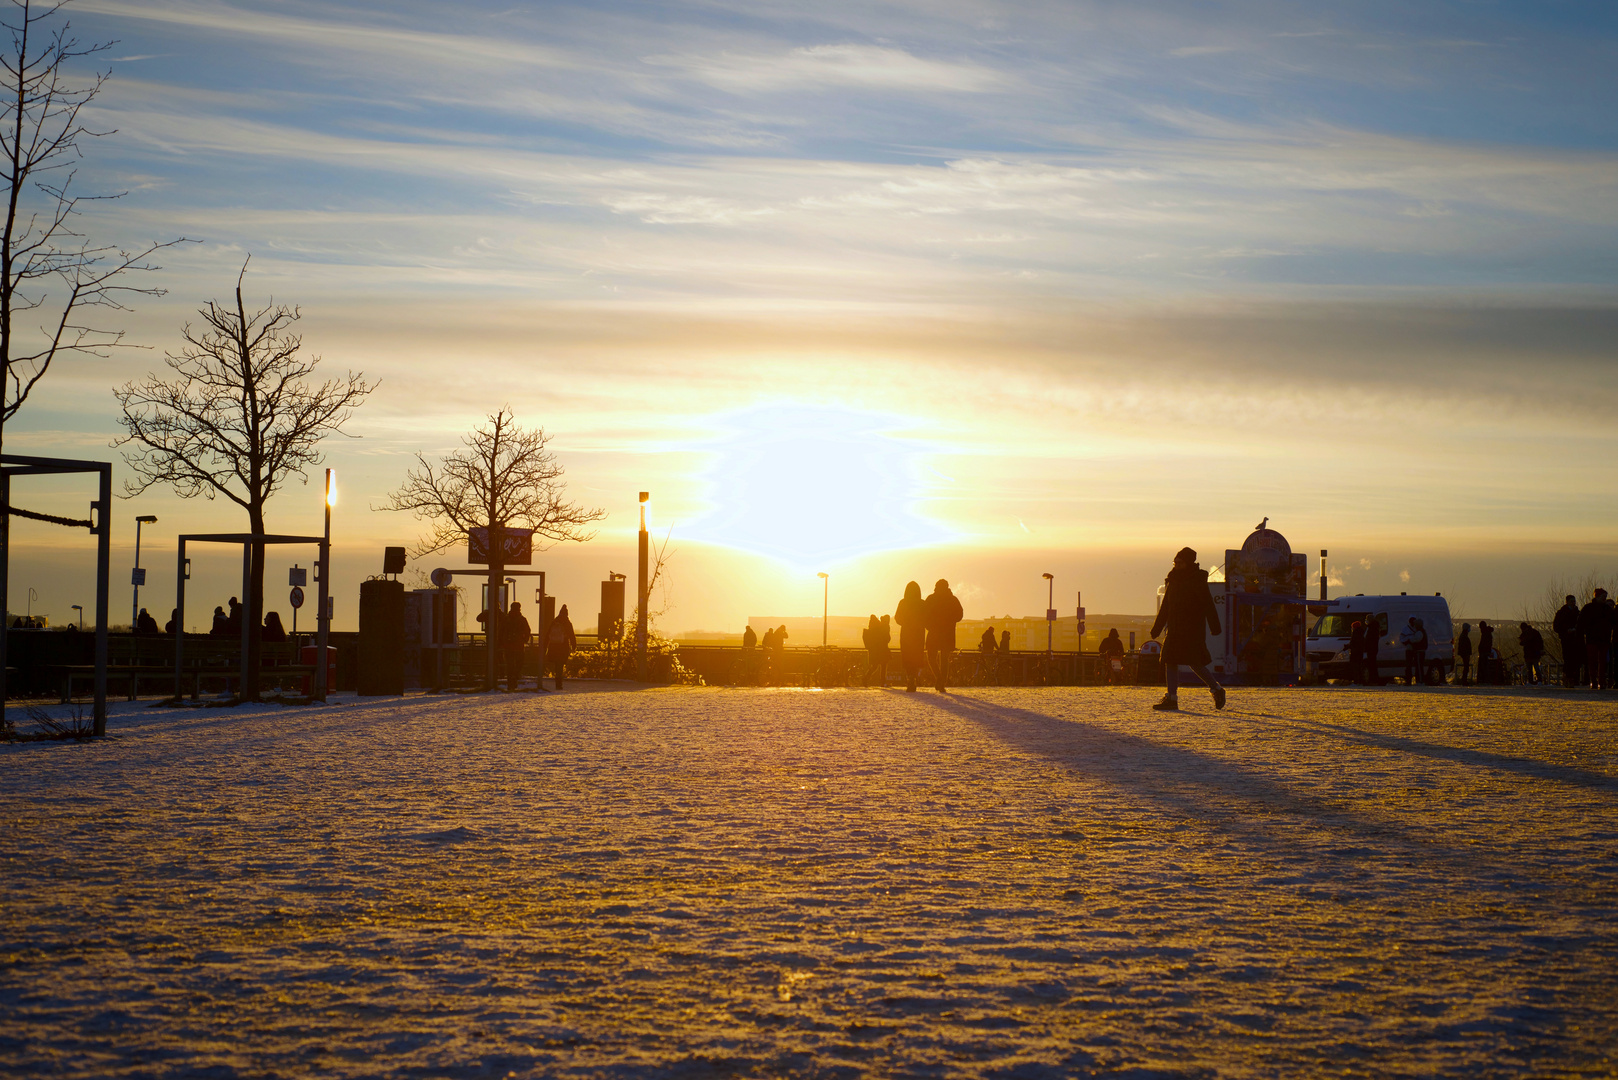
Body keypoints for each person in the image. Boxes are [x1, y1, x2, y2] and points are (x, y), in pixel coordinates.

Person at [1148, 546, 1225, 711]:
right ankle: (1171, 698)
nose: (1176, 565)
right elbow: (1166, 607)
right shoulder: (1173, 579)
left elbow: (1208, 605)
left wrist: (1215, 627)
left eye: (1180, 562)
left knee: (1194, 663)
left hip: (1192, 630)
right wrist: (1157, 628)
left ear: (1188, 563)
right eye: (1175, 562)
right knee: (1170, 660)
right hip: (1174, 629)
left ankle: (1216, 689)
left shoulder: (1197, 580)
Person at [924, 579, 963, 693]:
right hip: (948, 634)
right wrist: (950, 621)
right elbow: (959, 615)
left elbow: (924, 614)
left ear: (936, 586)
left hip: (934, 632)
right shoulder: (953, 599)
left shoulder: (931, 599)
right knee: (944, 659)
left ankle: (939, 678)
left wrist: (929, 626)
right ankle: (942, 681)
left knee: (931, 657)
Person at [894, 581, 927, 693]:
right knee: (916, 656)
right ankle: (913, 678)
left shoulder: (903, 602)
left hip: (906, 633)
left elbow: (897, 618)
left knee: (907, 656)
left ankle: (910, 678)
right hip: (918, 634)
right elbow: (927, 618)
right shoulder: (922, 603)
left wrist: (905, 623)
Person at [1577, 589, 1612, 689]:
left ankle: (1599, 680)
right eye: (1603, 597)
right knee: (1594, 660)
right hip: (1594, 638)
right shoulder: (1591, 608)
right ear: (1597, 596)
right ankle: (1595, 680)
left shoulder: (1603, 609)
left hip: (1601, 638)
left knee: (1601, 661)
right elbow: (1581, 623)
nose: (1605, 599)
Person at [1553, 594, 1582, 688]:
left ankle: (1573, 678)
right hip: (1566, 639)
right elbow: (1556, 627)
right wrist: (1566, 630)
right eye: (1572, 601)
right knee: (1568, 659)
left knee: (1576, 659)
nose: (1573, 603)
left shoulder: (1578, 612)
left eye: (1574, 601)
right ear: (1567, 602)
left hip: (1576, 638)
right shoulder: (1561, 613)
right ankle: (1568, 678)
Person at [545, 603, 575, 690]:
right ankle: (559, 684)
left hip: (554, 647)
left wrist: (545, 646)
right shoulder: (567, 622)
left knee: (556, 665)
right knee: (560, 666)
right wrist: (574, 645)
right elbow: (571, 635)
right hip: (563, 647)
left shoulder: (555, 621)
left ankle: (557, 681)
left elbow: (548, 634)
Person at [863, 614, 891, 686]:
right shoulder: (885, 626)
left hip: (875, 650)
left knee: (874, 666)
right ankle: (882, 682)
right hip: (883, 650)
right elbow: (887, 639)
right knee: (883, 666)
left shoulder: (877, 626)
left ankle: (866, 679)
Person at [1399, 617, 1426, 685]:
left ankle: (1419, 681)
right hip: (1418, 651)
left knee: (1418, 667)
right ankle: (1418, 680)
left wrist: (1409, 641)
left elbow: (1415, 639)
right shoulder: (1420, 631)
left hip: (1418, 651)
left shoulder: (1419, 632)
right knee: (1418, 666)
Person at [1348, 619, 1367, 684]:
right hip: (1360, 652)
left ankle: (1357, 680)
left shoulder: (1355, 633)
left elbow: (1354, 642)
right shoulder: (1362, 632)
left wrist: (1348, 646)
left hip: (1355, 652)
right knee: (1359, 666)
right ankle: (1360, 680)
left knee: (1355, 667)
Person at [1477, 621, 1495, 685]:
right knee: (1485, 665)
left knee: (1483, 665)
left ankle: (1483, 679)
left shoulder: (1485, 633)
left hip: (1484, 651)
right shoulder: (1488, 632)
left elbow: (1484, 643)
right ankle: (1485, 679)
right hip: (1486, 651)